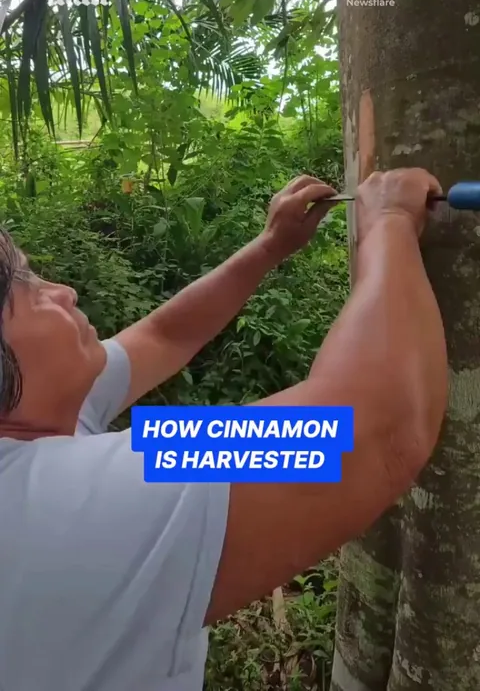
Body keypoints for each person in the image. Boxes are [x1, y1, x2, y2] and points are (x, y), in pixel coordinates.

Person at [0, 168, 447, 691]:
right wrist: (390, 222)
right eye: (26, 288)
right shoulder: (60, 506)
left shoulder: (36, 415)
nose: (64, 292)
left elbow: (164, 336)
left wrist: (270, 246)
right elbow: (375, 426)